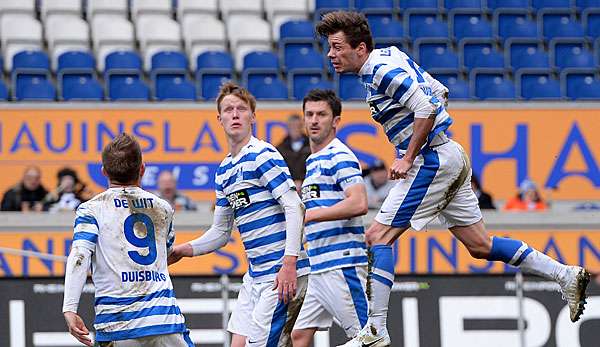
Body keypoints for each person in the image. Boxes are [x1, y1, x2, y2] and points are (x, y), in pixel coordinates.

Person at [316, 11, 590, 347]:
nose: (331, 54)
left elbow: (427, 108)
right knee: (480, 246)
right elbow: (438, 92)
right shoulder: (388, 55)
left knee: (378, 237)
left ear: (359, 48)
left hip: (432, 162)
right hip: (449, 154)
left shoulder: (381, 70)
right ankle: (565, 274)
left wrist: (408, 154)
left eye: (337, 47)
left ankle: (375, 330)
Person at [168, 82, 309, 347]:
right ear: (219, 119)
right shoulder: (224, 170)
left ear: (252, 117)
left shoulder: (263, 154)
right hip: (255, 276)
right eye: (228, 109)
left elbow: (294, 206)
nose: (235, 114)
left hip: (280, 273)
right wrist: (182, 250)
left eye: (241, 109)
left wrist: (289, 264)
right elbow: (221, 233)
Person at [62, 133, 193, 347]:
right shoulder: (162, 208)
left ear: (104, 171)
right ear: (142, 169)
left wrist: (70, 308)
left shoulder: (91, 210)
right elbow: (165, 256)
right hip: (163, 321)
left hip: (117, 324)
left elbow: (79, 256)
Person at [291, 89, 369, 346]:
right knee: (299, 335)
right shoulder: (313, 160)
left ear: (335, 121)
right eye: (309, 114)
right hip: (318, 265)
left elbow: (359, 202)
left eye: (321, 114)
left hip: (341, 263)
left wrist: (312, 215)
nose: (314, 120)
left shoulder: (340, 155)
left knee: (367, 339)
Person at [276, 114, 312, 191]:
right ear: (288, 128)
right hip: (287, 189)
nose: (295, 129)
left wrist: (302, 181)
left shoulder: (311, 146)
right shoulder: (280, 148)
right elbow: (278, 171)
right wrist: (291, 183)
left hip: (309, 186)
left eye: (297, 126)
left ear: (302, 127)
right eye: (292, 127)